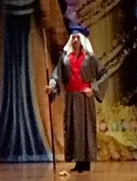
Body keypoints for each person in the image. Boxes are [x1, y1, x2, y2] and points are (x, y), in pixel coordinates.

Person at [46, 24, 107, 172]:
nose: (74, 41)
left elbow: (104, 74)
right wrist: (51, 87)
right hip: (71, 98)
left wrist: (93, 88)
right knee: (73, 129)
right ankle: (77, 161)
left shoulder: (90, 59)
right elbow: (56, 75)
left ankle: (86, 162)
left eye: (77, 38)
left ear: (82, 41)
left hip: (85, 99)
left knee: (86, 128)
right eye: (72, 38)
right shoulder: (65, 59)